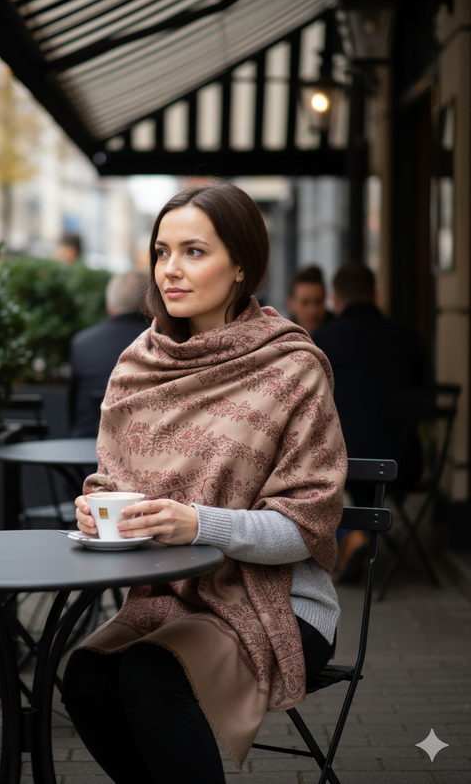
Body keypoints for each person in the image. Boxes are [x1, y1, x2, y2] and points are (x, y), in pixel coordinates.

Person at [61, 182, 347, 784]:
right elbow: (113, 481)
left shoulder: (291, 368)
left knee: (149, 674)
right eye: (161, 252)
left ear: (241, 264)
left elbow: (308, 526)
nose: (171, 270)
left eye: (194, 251)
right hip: (169, 594)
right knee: (85, 676)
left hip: (283, 599)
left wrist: (198, 523)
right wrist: (96, 509)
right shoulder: (138, 365)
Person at [313, 262, 425, 581]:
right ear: (376, 295)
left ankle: (351, 536)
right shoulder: (409, 339)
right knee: (366, 451)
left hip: (345, 462)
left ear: (335, 300)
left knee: (325, 465)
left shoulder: (323, 338)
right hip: (401, 462)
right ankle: (356, 534)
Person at [67, 270, 149, 438]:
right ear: (152, 305)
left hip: (84, 451)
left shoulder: (82, 343)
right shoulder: (164, 343)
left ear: (110, 307)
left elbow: (73, 410)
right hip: (142, 454)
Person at [286, 265, 334, 336]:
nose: (313, 311)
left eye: (318, 302)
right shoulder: (282, 337)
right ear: (291, 304)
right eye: (305, 303)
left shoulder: (339, 333)